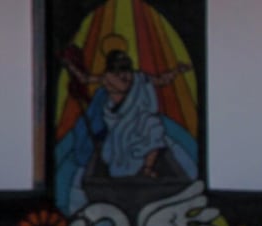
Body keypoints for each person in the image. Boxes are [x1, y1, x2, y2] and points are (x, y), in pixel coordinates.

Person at [61, 47, 193, 180]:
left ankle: (148, 168)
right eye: (119, 71)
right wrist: (71, 66)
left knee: (154, 127)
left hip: (139, 119)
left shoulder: (139, 78)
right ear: (112, 70)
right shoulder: (109, 78)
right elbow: (85, 79)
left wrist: (177, 70)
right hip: (118, 123)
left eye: (126, 70)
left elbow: (161, 80)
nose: (125, 76)